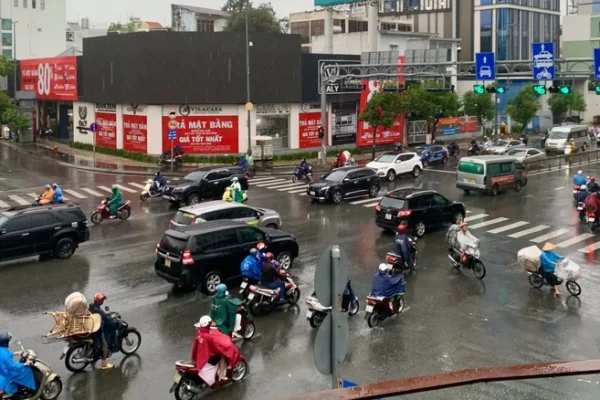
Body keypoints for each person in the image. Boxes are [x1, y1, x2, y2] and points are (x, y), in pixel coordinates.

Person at [192, 316, 241, 383]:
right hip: (208, 356)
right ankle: (221, 375)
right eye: (209, 323)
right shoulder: (208, 336)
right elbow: (216, 347)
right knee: (222, 354)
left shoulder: (199, 332)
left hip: (200, 354)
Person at [0, 332, 36, 399]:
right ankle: (29, 388)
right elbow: (11, 366)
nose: (9, 342)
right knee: (27, 370)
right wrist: (24, 364)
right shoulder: (4, 353)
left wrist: (15, 353)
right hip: (6, 373)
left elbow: (7, 356)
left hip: (3, 371)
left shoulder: (1, 349)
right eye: (8, 341)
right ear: (5, 342)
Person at [88, 293, 115, 369]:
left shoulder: (92, 307)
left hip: (92, 327)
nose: (103, 301)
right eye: (102, 300)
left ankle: (94, 356)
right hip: (97, 329)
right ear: (100, 301)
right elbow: (106, 318)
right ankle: (104, 363)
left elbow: (103, 315)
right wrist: (113, 319)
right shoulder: (97, 310)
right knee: (105, 345)